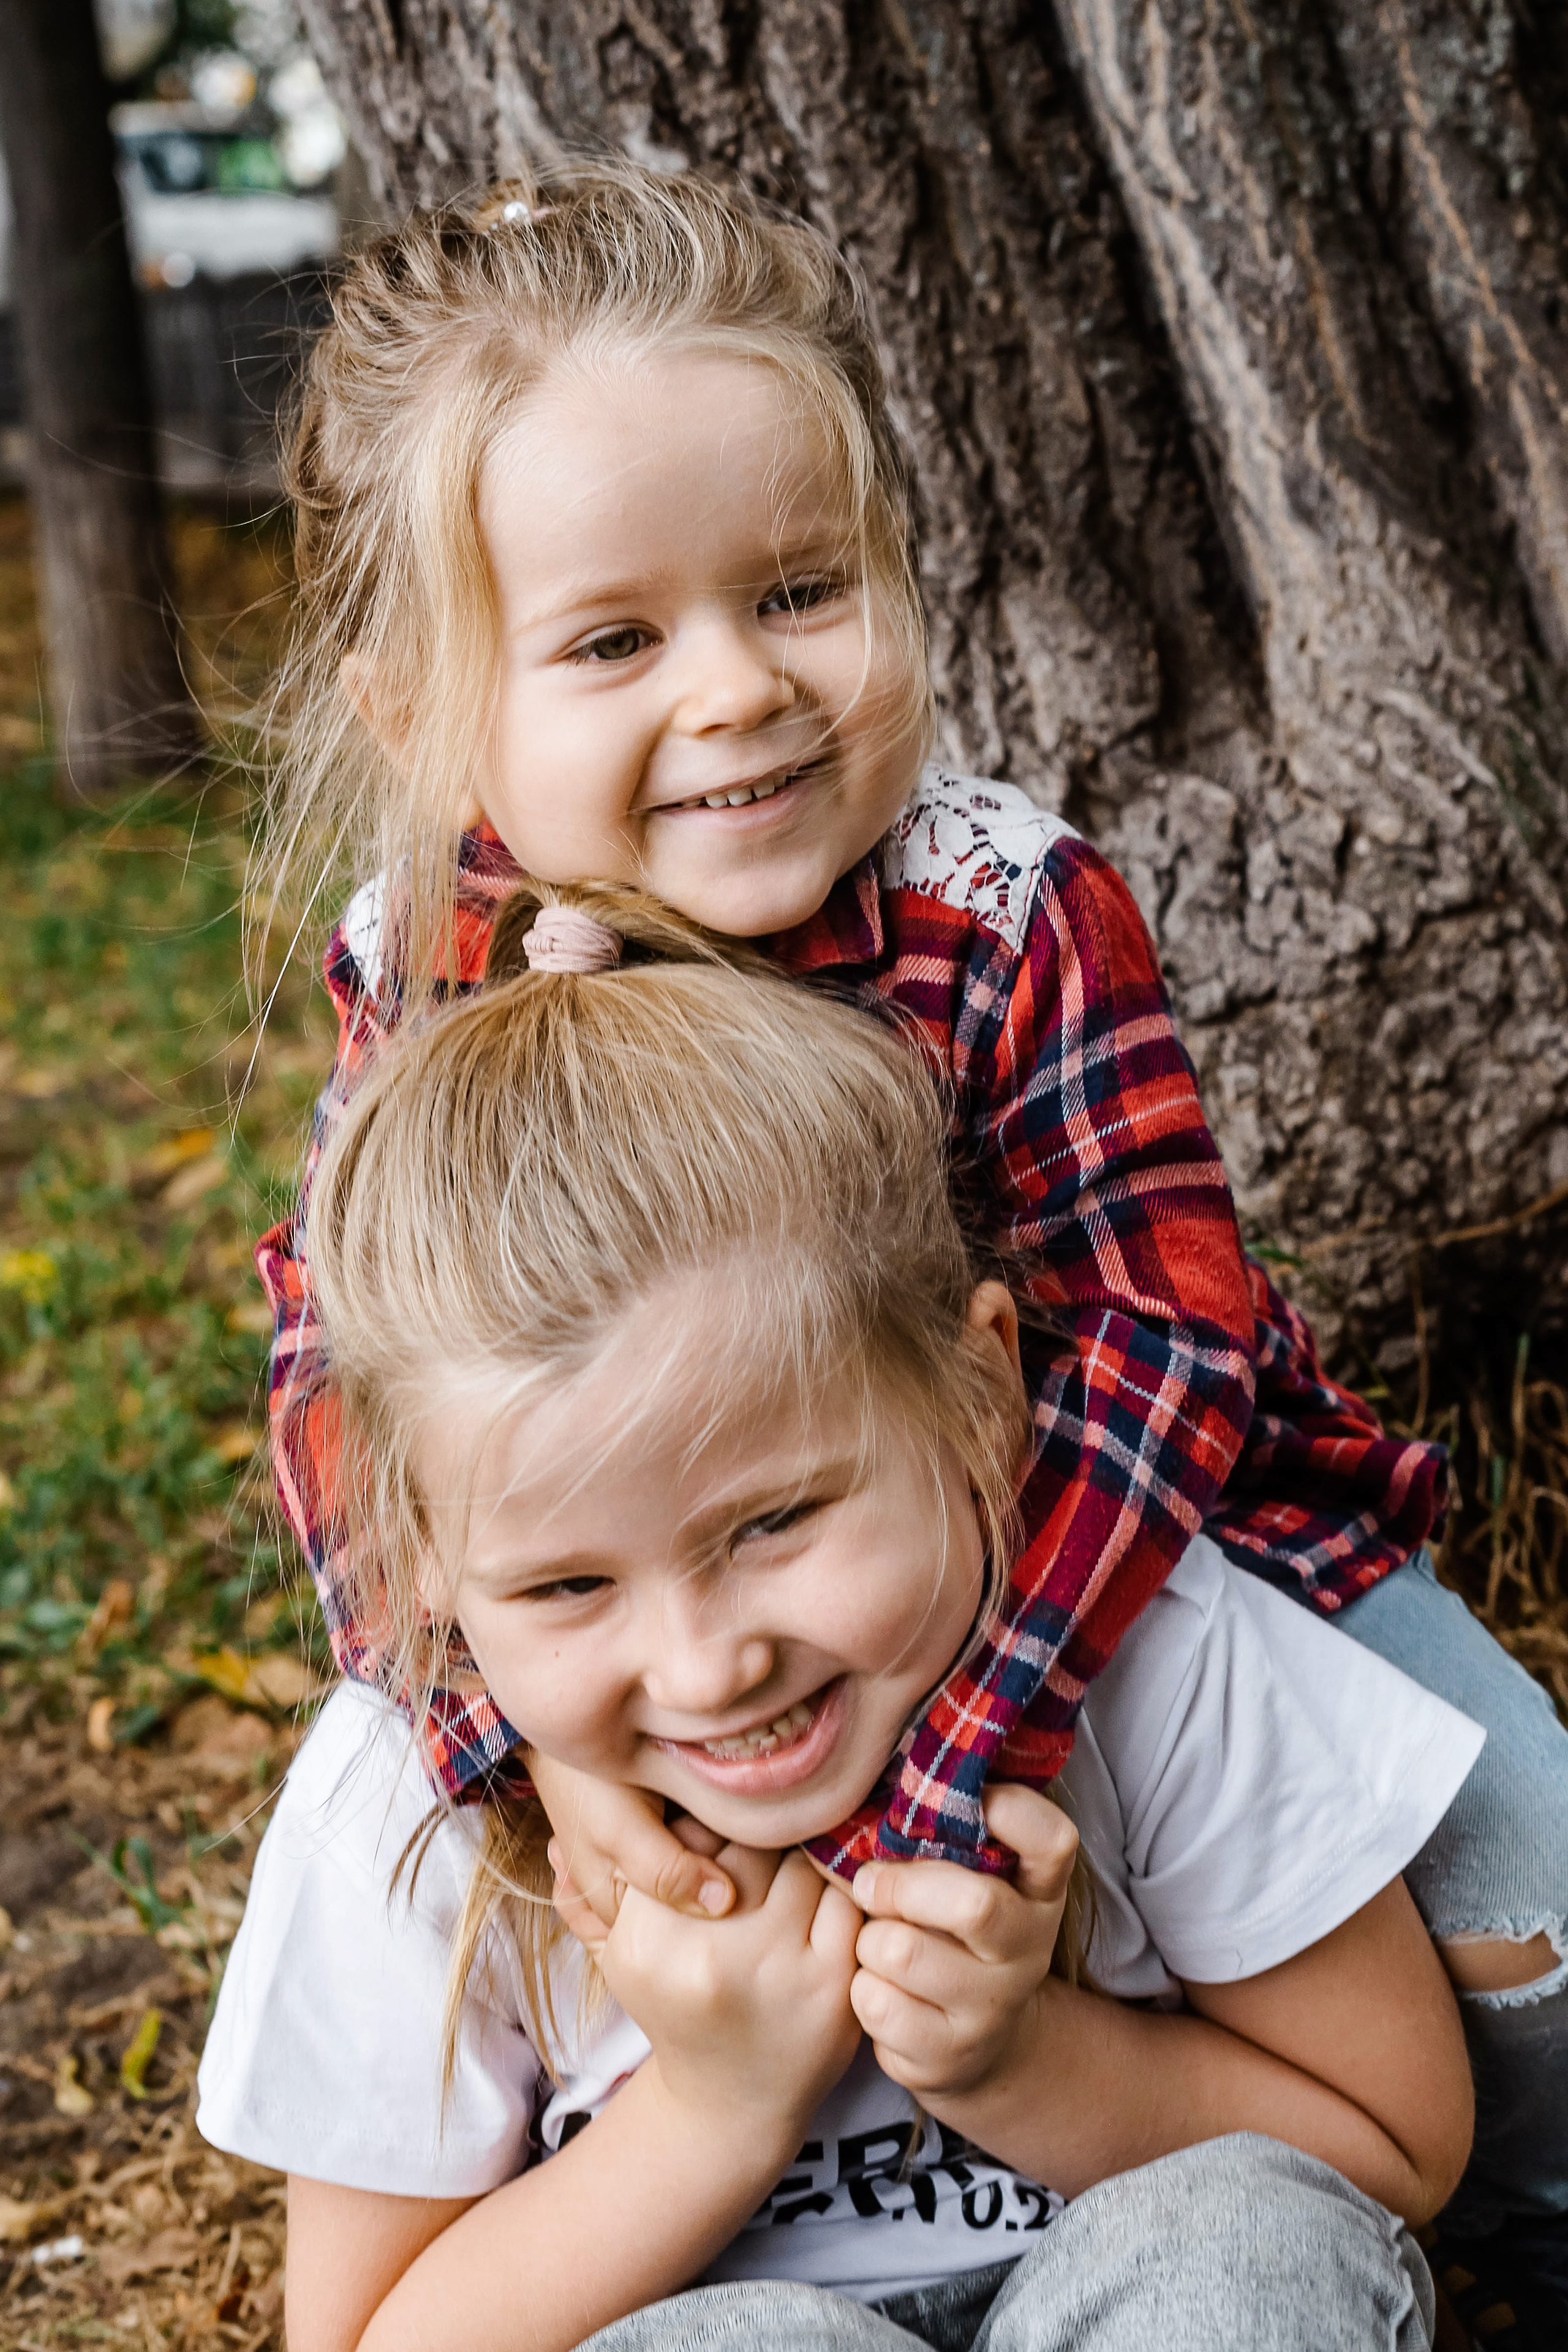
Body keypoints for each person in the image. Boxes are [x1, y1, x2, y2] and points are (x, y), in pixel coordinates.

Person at [251, 160, 1568, 2276]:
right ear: (427, 712)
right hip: (747, 1586)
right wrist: (516, 1753)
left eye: (798, 592)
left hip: (1164, 1551)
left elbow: (1157, 1363)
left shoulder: (1007, 907)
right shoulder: (424, 965)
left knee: (1539, 1899)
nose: (741, 692)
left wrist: (963, 1761)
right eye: (613, 637)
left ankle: (1472, 2224)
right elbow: (348, 1390)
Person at [202, 893, 1482, 2352]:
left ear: (981, 1397)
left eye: (773, 1524)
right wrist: (706, 2111)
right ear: (418, 1553)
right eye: (567, 1587)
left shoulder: (1150, 1657)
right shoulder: (401, 1816)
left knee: (1240, 2240)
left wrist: (1022, 2062)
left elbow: (1390, 2149)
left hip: (1143, 2294)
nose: (705, 1665)